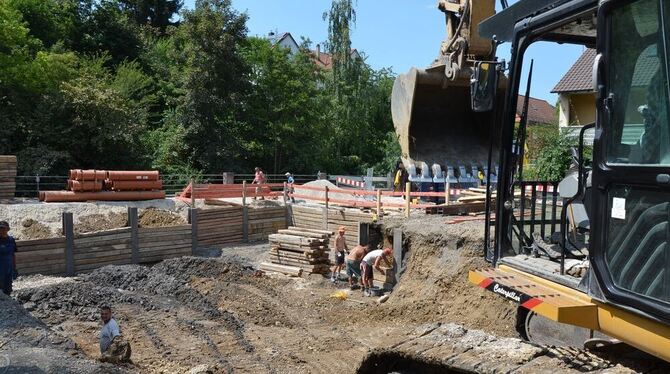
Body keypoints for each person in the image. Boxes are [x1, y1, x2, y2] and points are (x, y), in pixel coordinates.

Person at [0, 221, 17, 296]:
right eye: (0, 228)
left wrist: (14, 268)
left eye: (4, 228)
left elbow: (13, 254)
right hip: (0, 268)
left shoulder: (11, 240)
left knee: (8, 286)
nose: (2, 230)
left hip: (9, 267)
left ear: (8, 229)